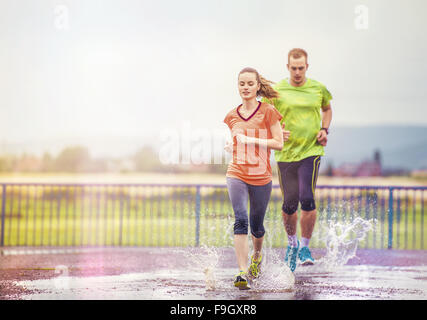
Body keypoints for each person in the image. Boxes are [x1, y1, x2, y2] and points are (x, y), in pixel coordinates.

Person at [263, 48, 333, 272]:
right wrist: (274, 134)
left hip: (311, 151)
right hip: (285, 153)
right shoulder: (276, 91)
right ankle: (292, 245)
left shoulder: (318, 88)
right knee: (289, 203)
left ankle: (304, 247)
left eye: (301, 68)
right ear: (287, 67)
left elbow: (327, 109)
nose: (297, 72)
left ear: (307, 67)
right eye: (293, 68)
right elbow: (263, 117)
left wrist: (324, 129)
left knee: (307, 198)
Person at [224, 67, 285, 290]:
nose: (246, 88)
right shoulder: (231, 115)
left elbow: (278, 143)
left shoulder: (268, 111)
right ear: (237, 86)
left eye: (250, 83)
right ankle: (241, 272)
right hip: (236, 172)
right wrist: (231, 146)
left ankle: (256, 258)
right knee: (241, 219)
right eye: (242, 84)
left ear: (258, 86)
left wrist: (251, 141)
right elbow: (235, 140)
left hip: (261, 176)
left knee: (257, 226)